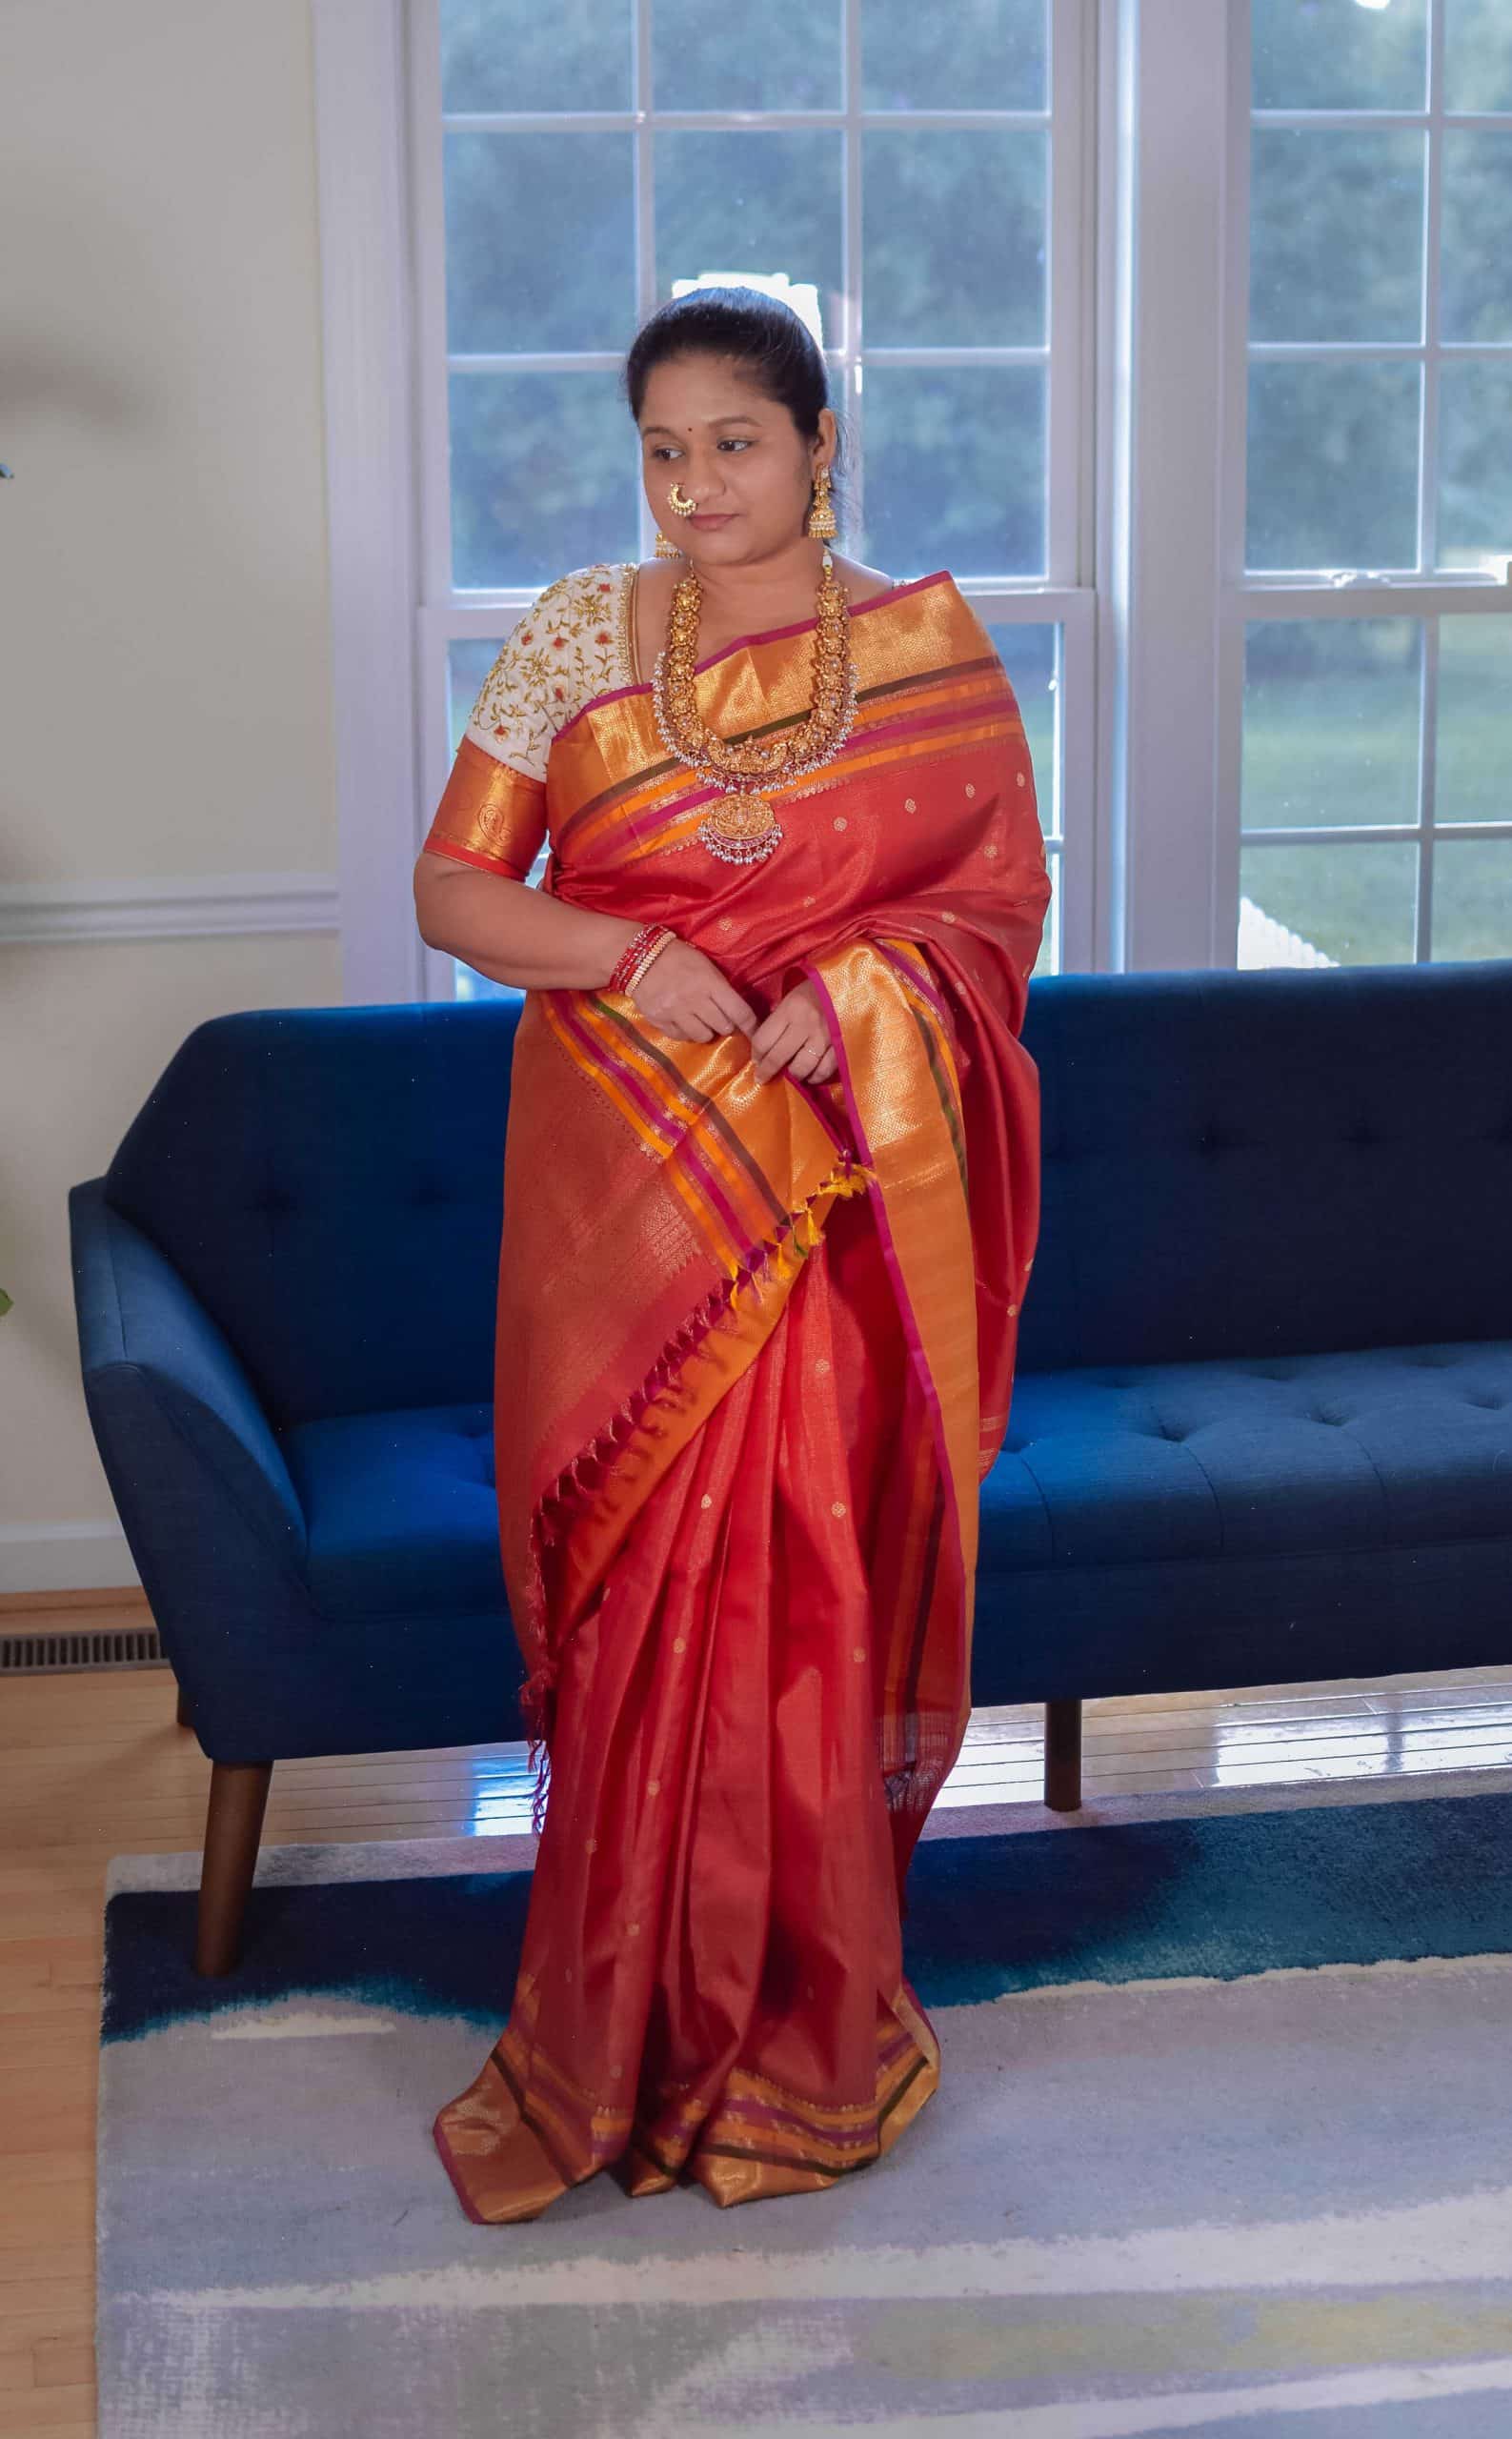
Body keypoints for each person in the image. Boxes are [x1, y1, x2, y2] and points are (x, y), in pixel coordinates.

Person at [413, 286, 1052, 2223]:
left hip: (835, 1211)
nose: (695, 483)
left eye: (734, 442)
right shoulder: (578, 636)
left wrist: (859, 990)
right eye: (664, 449)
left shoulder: (928, 653)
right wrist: (632, 951)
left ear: (816, 442)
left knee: (801, 1606)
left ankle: (796, 2028)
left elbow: (993, 913)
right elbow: (451, 887)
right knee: (640, 1619)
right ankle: (614, 2028)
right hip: (630, 1204)